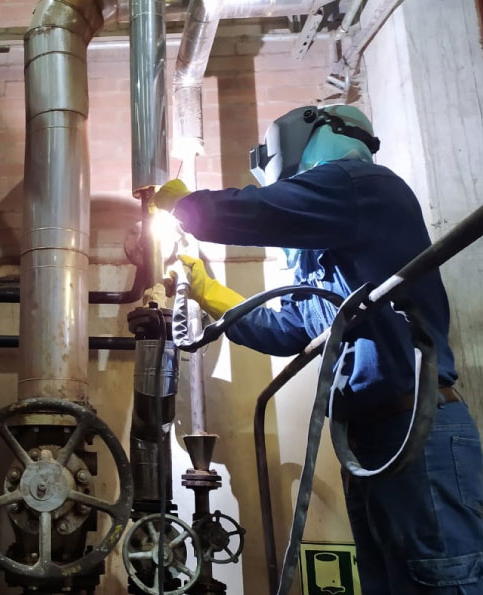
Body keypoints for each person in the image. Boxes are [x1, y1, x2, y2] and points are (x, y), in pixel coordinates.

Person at [152, 104, 483, 593]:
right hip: (369, 440)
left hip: (418, 429)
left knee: (443, 580)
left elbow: (263, 211)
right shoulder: (335, 260)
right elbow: (286, 328)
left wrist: (185, 204)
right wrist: (207, 291)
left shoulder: (362, 183)